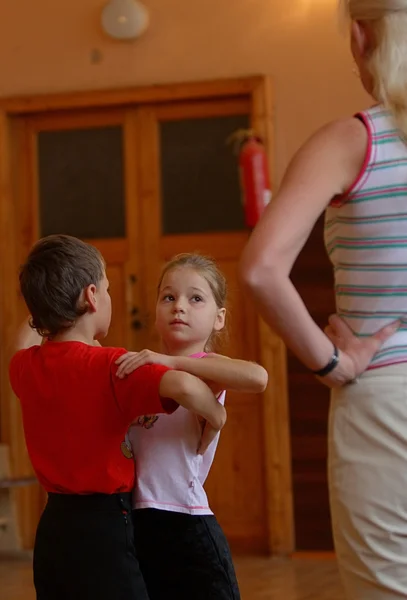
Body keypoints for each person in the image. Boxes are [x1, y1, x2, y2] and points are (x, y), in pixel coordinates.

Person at [239, 1, 407, 598]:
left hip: (386, 396)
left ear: (361, 37)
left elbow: (261, 270)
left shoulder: (352, 140)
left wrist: (333, 363)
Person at [9, 235, 226, 600]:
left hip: (53, 530)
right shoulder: (110, 366)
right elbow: (186, 389)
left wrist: (46, 304)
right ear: (92, 296)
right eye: (107, 289)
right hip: (105, 528)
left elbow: (24, 339)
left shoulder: (25, 366)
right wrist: (215, 413)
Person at [115, 253, 268, 600]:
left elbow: (257, 377)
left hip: (186, 523)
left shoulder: (206, 367)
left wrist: (169, 361)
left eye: (195, 298)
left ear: (219, 318)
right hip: (137, 525)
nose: (179, 307)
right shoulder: (144, 370)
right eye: (168, 297)